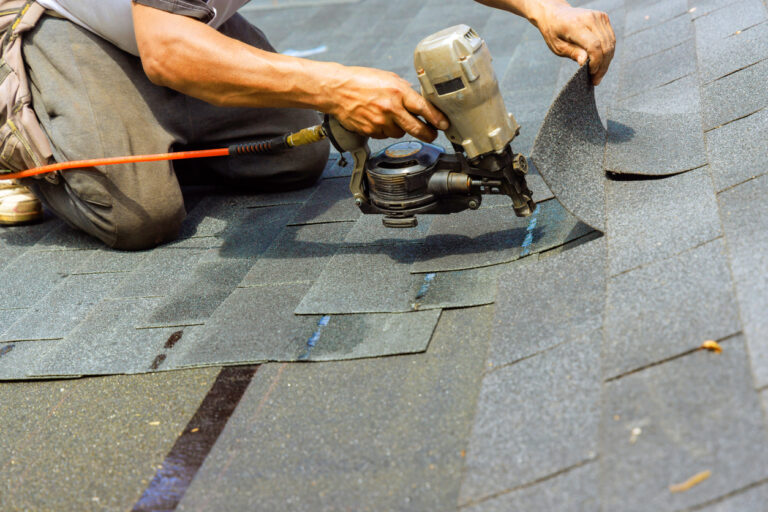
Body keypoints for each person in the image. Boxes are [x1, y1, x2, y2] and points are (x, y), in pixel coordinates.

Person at [0, 0, 614, 249]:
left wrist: (544, 8)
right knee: (139, 213)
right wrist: (337, 84)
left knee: (295, 152)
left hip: (169, 18)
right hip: (50, 23)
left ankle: (145, 132)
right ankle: (23, 131)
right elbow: (164, 51)